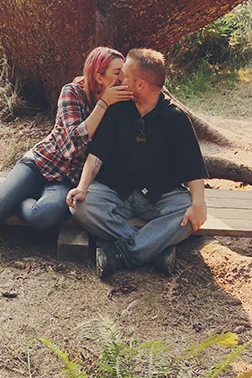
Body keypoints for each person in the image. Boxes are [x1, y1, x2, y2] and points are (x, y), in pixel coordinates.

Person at [0, 47, 132, 229]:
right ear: (99, 76)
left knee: (43, 216)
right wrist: (103, 104)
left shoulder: (118, 105)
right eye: (117, 73)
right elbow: (75, 139)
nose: (121, 79)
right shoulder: (72, 92)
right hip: (41, 163)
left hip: (67, 178)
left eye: (123, 73)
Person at [66, 48, 208, 279]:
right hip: (116, 192)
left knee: (187, 213)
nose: (119, 80)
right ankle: (155, 249)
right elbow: (96, 155)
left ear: (140, 85)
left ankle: (121, 254)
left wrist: (199, 203)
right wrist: (82, 187)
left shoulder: (176, 119)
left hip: (158, 196)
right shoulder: (117, 108)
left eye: (124, 76)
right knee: (80, 206)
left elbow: (192, 166)